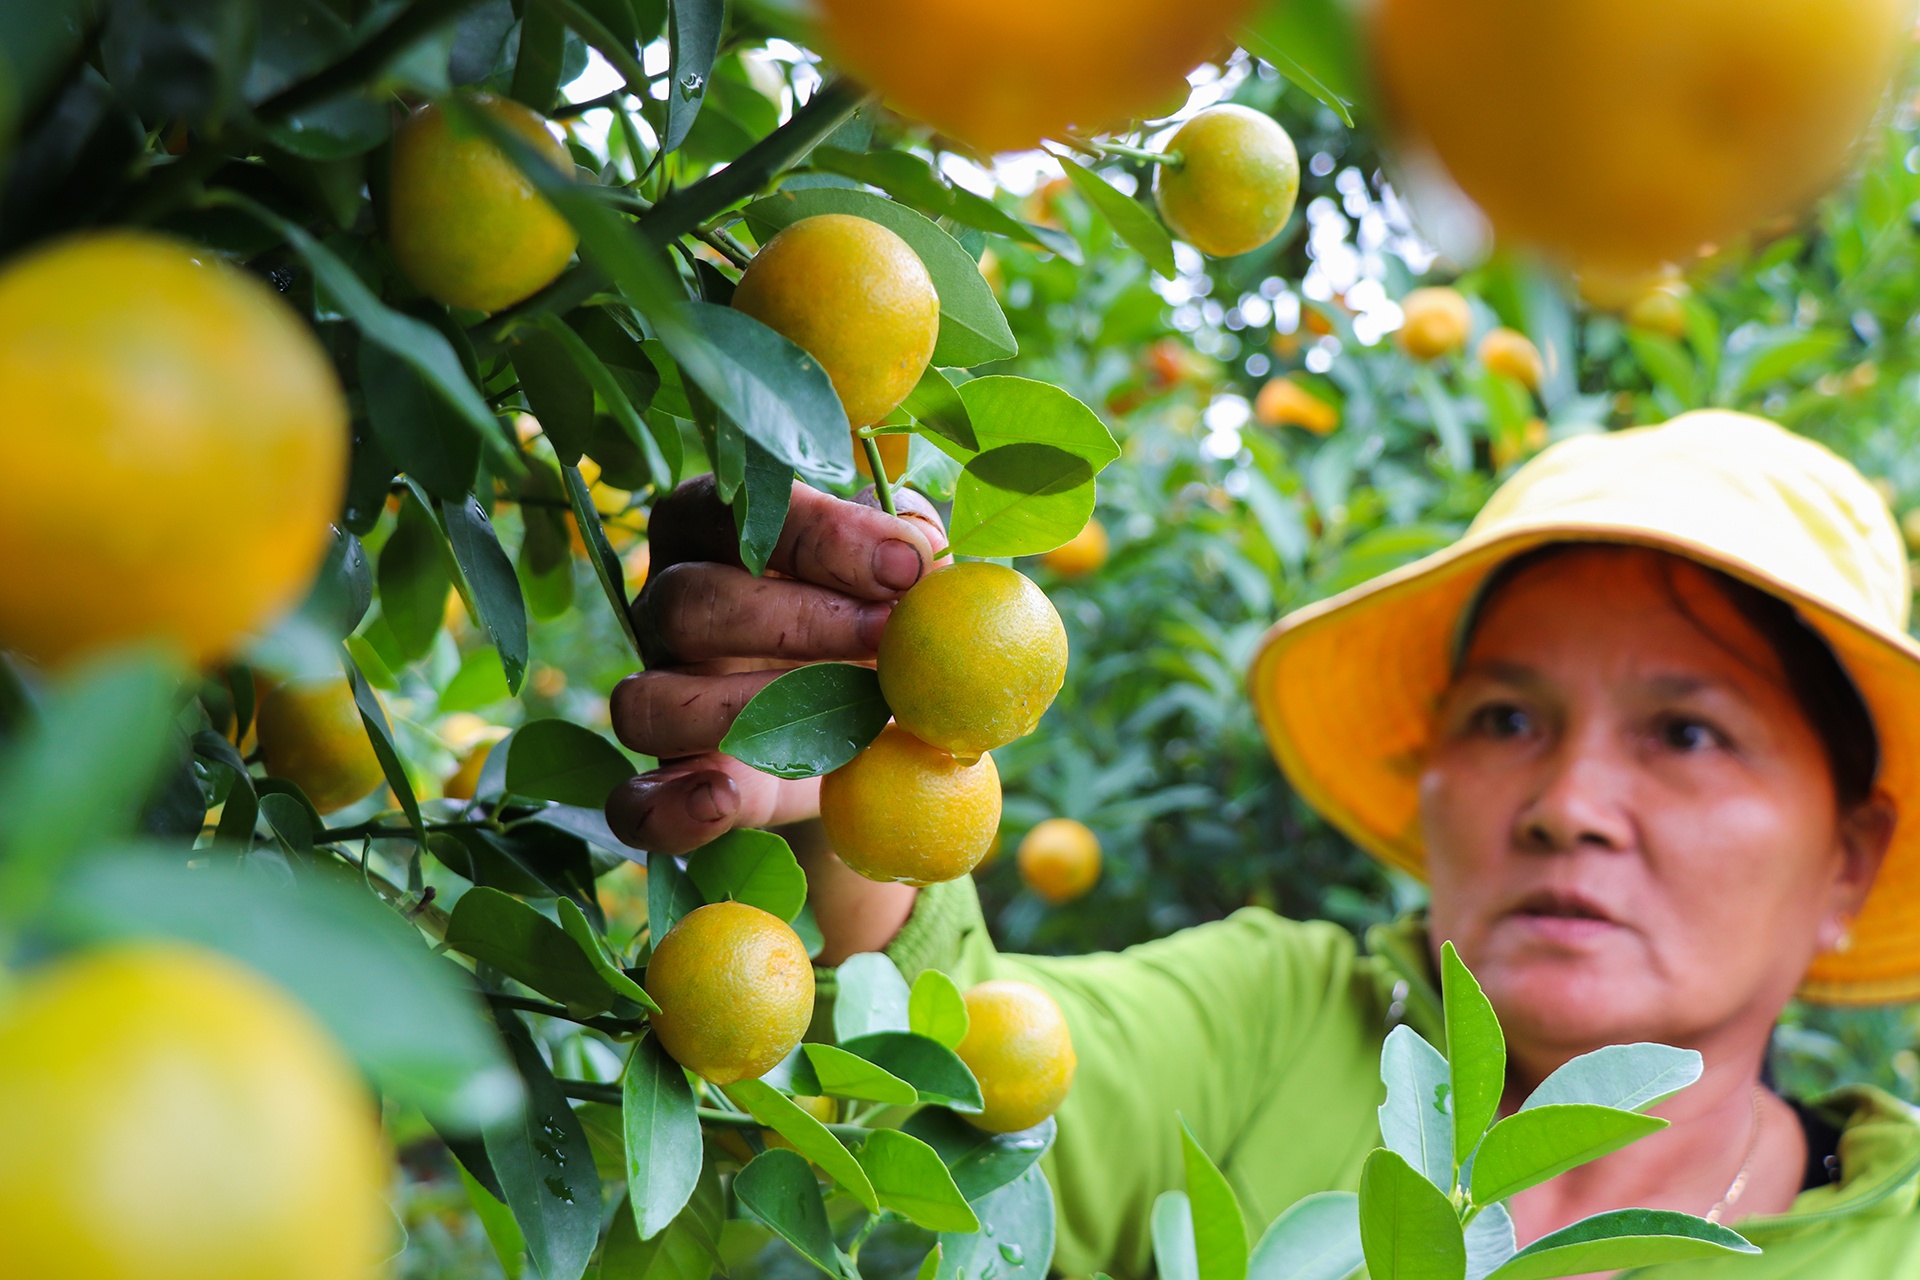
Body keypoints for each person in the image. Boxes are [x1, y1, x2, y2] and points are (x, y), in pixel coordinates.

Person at [605, 410, 1920, 1277]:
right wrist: (838, 800)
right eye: (1509, 715)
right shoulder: (1284, 1019)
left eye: (1686, 734)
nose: (1566, 802)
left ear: (1850, 858)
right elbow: (961, 1070)